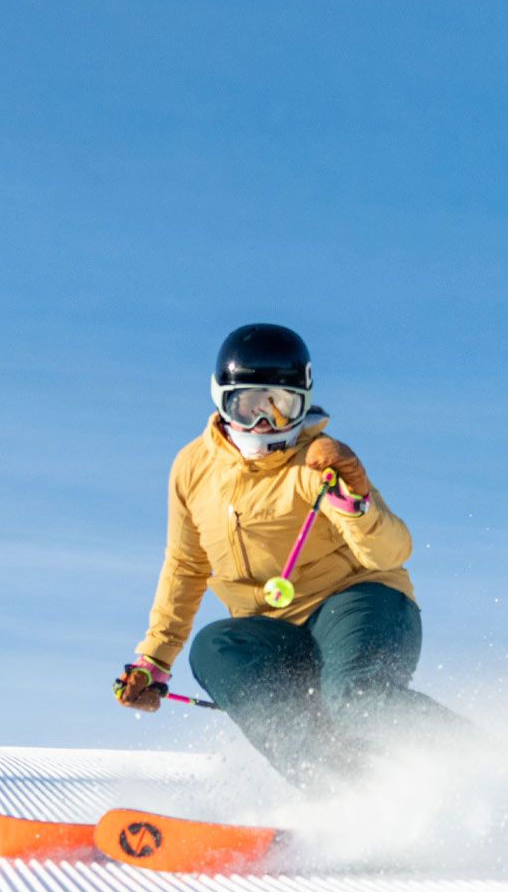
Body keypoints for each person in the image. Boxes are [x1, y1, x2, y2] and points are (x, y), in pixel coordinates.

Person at [114, 323, 455, 790]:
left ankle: (488, 768)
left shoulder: (319, 461)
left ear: (304, 401)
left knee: (355, 698)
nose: (264, 423)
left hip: (361, 605)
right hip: (275, 633)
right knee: (215, 648)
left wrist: (355, 505)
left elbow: (391, 551)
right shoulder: (192, 469)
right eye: (249, 405)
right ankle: (342, 791)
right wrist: (153, 659)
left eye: (281, 406)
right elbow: (186, 566)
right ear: (221, 400)